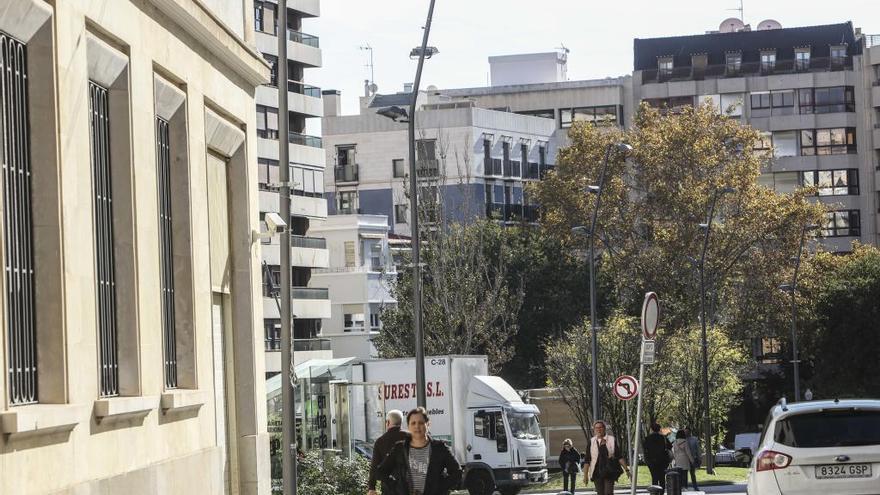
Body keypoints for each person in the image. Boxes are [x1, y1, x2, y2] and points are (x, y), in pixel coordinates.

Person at [377, 407, 462, 495]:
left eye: (421, 423)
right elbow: (381, 472)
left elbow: (457, 472)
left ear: (428, 424)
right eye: (413, 423)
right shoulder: (400, 448)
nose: (417, 426)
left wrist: (439, 487)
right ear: (408, 426)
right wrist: (396, 487)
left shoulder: (439, 448)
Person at [582, 420, 630, 495]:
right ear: (594, 430)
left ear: (604, 428)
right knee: (600, 493)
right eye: (596, 428)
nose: (598, 429)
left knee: (608, 493)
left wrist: (627, 469)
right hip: (596, 472)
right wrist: (585, 476)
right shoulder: (591, 442)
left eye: (600, 427)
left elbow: (619, 456)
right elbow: (587, 460)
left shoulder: (611, 439)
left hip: (609, 471)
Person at [368, 409, 409, 495]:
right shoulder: (410, 437)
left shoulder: (380, 441)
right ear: (401, 422)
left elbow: (374, 465)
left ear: (388, 422)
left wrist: (372, 487)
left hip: (389, 487)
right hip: (408, 485)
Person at [643, 423, 671, 491]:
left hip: (651, 461)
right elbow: (669, 447)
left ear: (652, 429)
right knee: (662, 478)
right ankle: (661, 491)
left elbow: (645, 449)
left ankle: (654, 492)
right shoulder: (664, 438)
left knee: (654, 477)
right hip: (663, 461)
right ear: (659, 429)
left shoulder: (647, 439)